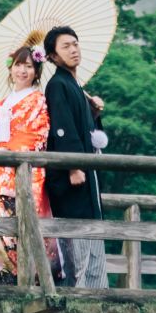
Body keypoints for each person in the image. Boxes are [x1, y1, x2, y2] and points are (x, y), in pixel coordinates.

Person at [0, 45, 58, 284]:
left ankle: (18, 279)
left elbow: (37, 134)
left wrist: (8, 151)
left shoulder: (38, 101)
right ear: (11, 68)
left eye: (29, 66)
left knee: (16, 230)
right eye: (18, 65)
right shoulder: (0, 104)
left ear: (37, 71)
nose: (23, 71)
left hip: (18, 178)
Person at [43, 25, 109, 288]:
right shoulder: (57, 85)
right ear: (52, 57)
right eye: (65, 47)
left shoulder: (75, 86)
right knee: (76, 232)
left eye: (75, 44)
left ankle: (97, 290)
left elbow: (86, 131)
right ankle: (78, 291)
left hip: (86, 171)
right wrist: (73, 166)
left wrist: (92, 112)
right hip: (72, 174)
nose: (73, 50)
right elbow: (62, 127)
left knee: (92, 228)